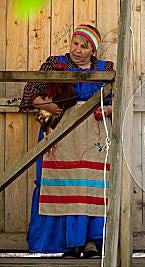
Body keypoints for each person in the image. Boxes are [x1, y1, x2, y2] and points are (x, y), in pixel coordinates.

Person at [19, 24, 114, 259]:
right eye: (75, 43)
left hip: (95, 134)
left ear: (93, 50)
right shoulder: (55, 63)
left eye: (84, 46)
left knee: (92, 185)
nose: (77, 50)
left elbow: (120, 94)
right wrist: (45, 104)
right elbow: (30, 90)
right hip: (60, 134)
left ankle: (92, 241)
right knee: (61, 184)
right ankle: (68, 243)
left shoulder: (107, 68)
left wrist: (110, 108)